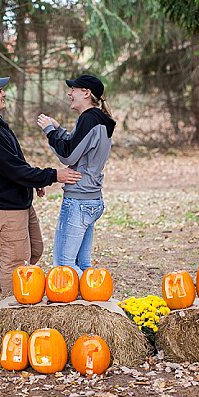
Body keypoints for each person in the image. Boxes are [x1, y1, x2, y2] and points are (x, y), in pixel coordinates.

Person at [0, 72, 82, 297]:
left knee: (34, 249)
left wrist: (33, 181)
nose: (3, 93)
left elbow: (15, 161)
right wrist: (53, 175)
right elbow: (13, 169)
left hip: (18, 200)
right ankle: (9, 311)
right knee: (17, 263)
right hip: (4, 207)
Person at [36, 74, 116, 275]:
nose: (69, 93)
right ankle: (93, 299)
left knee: (65, 265)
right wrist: (58, 129)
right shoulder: (99, 119)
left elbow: (68, 155)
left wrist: (49, 132)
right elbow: (78, 145)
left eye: (74, 89)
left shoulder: (88, 118)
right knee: (82, 262)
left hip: (79, 202)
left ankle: (95, 293)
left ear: (87, 93)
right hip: (92, 199)